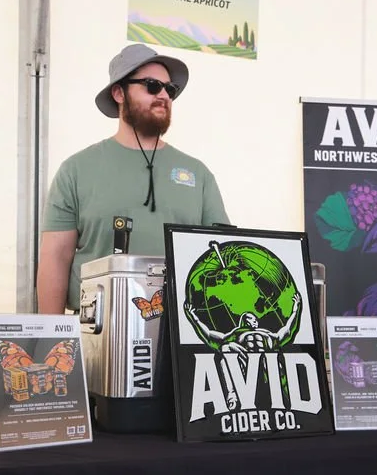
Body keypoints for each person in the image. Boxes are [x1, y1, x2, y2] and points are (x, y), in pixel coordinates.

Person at [37, 44, 231, 313]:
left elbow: (221, 255)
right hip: (97, 327)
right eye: (152, 86)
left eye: (170, 89)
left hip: (179, 327)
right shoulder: (76, 169)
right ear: (119, 93)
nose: (163, 95)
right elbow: (55, 257)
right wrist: (52, 333)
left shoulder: (198, 174)